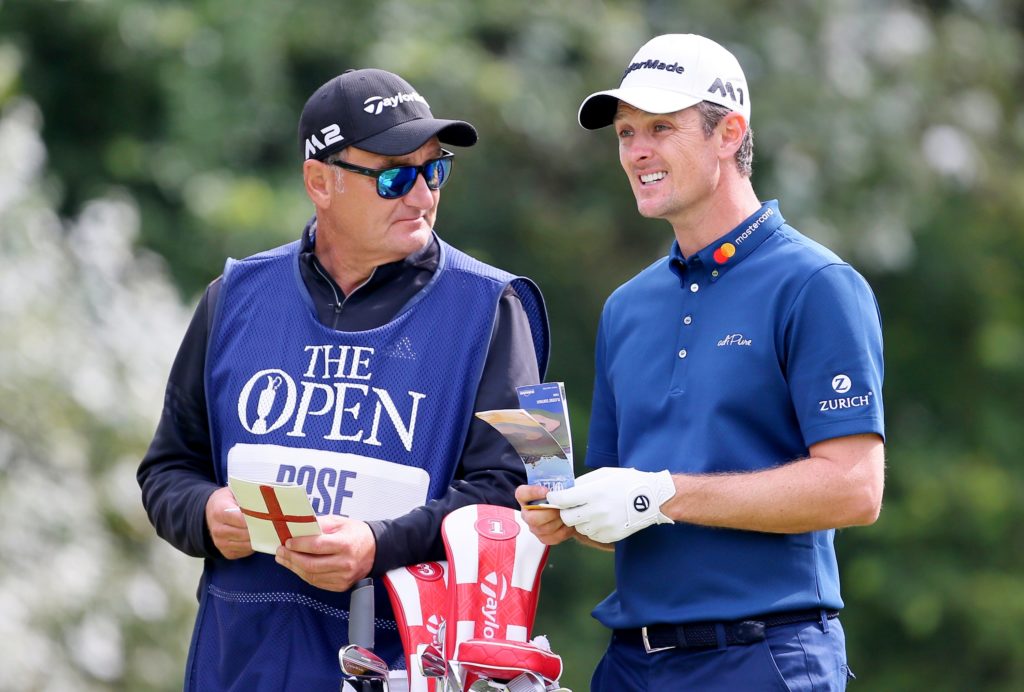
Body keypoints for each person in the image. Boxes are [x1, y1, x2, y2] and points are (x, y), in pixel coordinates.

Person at [138, 68, 549, 690]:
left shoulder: (502, 304)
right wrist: (205, 512)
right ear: (319, 183)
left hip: (407, 668)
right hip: (238, 664)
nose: (422, 196)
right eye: (394, 176)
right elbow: (165, 471)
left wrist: (376, 545)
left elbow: (533, 495)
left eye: (433, 170)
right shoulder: (232, 295)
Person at [517, 33, 884, 691]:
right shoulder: (627, 307)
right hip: (631, 662)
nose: (637, 151)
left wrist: (665, 494)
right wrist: (574, 514)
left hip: (762, 657)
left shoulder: (816, 284)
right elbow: (626, 511)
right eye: (626, 133)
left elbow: (855, 487)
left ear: (728, 133)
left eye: (661, 127)